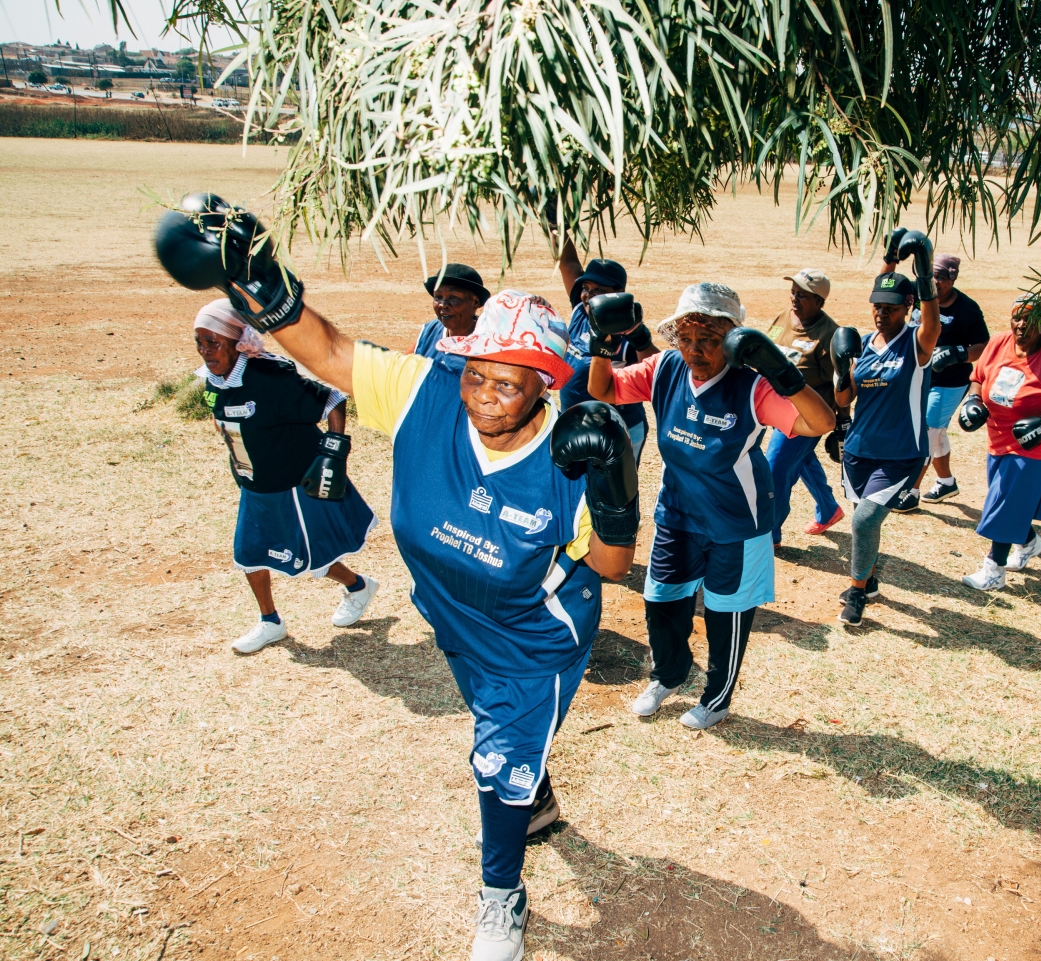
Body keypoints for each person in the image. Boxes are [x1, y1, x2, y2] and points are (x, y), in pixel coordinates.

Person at [155, 196, 641, 961]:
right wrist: (264, 287)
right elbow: (330, 352)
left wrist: (614, 485)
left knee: (495, 761)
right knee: (499, 736)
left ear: (546, 386)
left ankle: (501, 895)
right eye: (474, 375)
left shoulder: (570, 453)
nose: (481, 397)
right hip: (449, 619)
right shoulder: (426, 393)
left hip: (532, 639)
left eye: (506, 385)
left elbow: (611, 567)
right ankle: (532, 784)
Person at [587, 283, 834, 727]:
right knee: (662, 601)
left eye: (710, 341)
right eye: (686, 339)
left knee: (726, 613)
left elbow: (820, 422)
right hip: (678, 513)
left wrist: (785, 374)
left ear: (734, 342)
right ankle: (666, 676)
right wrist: (601, 346)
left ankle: (716, 699)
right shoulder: (664, 369)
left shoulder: (752, 386)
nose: (695, 351)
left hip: (736, 522)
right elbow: (604, 390)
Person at [192, 299, 380, 654]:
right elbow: (219, 414)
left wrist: (335, 451)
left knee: (314, 559)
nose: (205, 351)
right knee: (248, 554)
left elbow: (333, 398)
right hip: (254, 482)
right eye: (199, 342)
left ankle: (358, 586)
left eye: (212, 342)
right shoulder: (210, 381)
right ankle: (270, 622)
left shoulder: (271, 376)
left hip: (295, 483)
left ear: (237, 340)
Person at [955, 229, 1041, 591]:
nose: (1020, 325)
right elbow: (978, 376)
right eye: (1016, 317)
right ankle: (1030, 543)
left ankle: (993, 571)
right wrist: (973, 399)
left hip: (1038, 445)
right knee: (1008, 499)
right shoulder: (1000, 342)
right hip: (999, 436)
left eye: (1030, 319)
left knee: (1003, 502)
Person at [830, 230, 941, 625]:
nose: (882, 312)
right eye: (877, 305)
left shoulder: (917, 342)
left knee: (863, 520)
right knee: (865, 521)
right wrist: (842, 372)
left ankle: (857, 593)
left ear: (908, 307)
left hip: (901, 455)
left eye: (891, 307)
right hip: (858, 450)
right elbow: (845, 401)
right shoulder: (861, 343)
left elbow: (931, 318)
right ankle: (871, 580)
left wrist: (923, 271)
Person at [895, 253, 989, 510]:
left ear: (953, 279)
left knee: (927, 433)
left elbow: (983, 345)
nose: (936, 282)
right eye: (932, 276)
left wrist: (959, 354)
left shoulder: (966, 309)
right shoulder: (917, 293)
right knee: (935, 433)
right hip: (918, 377)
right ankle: (946, 482)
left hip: (949, 382)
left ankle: (910, 491)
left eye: (942, 278)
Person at [555, 237, 659, 459]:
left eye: (597, 290)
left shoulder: (625, 329)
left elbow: (660, 372)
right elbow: (569, 264)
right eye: (585, 288)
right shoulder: (581, 313)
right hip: (573, 423)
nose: (588, 295)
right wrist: (557, 227)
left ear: (618, 291)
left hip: (618, 428)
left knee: (616, 491)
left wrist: (639, 337)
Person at [762, 268, 846, 540]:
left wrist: (842, 422)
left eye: (804, 296)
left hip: (807, 416)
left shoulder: (830, 335)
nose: (795, 299)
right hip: (776, 409)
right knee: (800, 457)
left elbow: (841, 382)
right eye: (794, 293)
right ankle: (829, 508)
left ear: (820, 302)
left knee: (775, 468)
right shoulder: (784, 317)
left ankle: (769, 533)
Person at [414, 263, 490, 363]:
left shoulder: (488, 343)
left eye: (453, 297)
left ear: (475, 302)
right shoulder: (431, 331)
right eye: (438, 297)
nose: (443, 305)